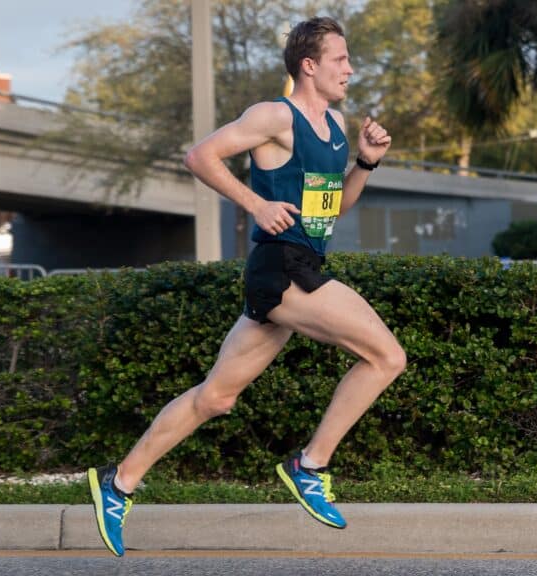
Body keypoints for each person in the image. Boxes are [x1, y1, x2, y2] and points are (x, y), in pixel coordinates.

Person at [87, 16, 406, 557]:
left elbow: (333, 210)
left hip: (298, 263)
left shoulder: (334, 124)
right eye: (340, 59)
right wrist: (256, 203)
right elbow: (199, 156)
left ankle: (117, 484)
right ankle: (310, 466)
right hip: (284, 267)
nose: (350, 69)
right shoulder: (273, 116)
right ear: (309, 65)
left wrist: (366, 164)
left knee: (217, 396)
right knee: (385, 357)